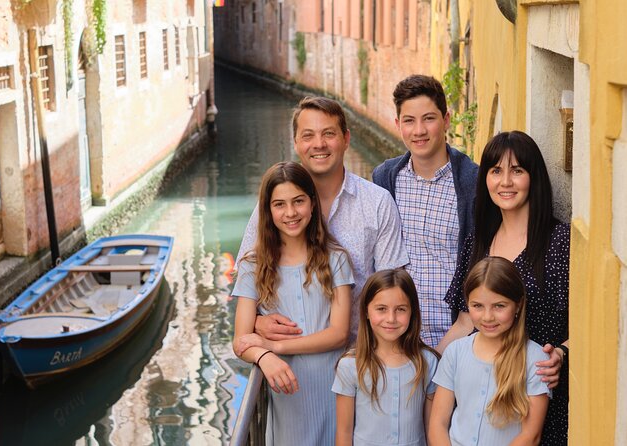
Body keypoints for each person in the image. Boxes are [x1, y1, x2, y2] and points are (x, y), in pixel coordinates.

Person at [237, 96, 409, 339]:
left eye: (329, 133)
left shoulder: (378, 203)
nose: (319, 144)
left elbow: (392, 290)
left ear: (346, 139)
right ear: (296, 143)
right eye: (308, 136)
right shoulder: (272, 207)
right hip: (286, 363)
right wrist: (256, 322)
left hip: (359, 356)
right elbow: (248, 276)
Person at [438, 131, 569, 445]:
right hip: (482, 395)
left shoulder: (560, 243)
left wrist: (563, 353)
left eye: (517, 171)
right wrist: (424, 361)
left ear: (533, 178)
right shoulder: (476, 243)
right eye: (496, 171)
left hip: (537, 391)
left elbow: (592, 320)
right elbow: (465, 322)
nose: (505, 182)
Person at [232, 162, 354, 445]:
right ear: (268, 211)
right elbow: (240, 340)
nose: (290, 213)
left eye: (298, 201)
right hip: (286, 393)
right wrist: (265, 357)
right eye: (279, 204)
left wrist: (276, 346)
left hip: (334, 389)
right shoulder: (253, 266)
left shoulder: (335, 259)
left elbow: (339, 333)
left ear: (312, 203)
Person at [372, 75, 478, 348]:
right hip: (400, 338)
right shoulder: (386, 178)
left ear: (446, 120)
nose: (419, 130)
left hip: (458, 337)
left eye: (428, 118)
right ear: (398, 125)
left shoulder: (472, 183)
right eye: (409, 121)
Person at [429, 257, 550, 445]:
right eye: (477, 306)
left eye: (499, 306)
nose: (487, 317)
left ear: (518, 305)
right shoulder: (455, 352)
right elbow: (438, 423)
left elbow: (530, 436)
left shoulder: (535, 359)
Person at [333, 269, 439, 446]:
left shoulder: (427, 362)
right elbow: (344, 433)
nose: (391, 318)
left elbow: (432, 428)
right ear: (366, 311)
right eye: (381, 309)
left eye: (400, 309)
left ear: (412, 311)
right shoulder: (350, 365)